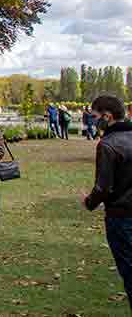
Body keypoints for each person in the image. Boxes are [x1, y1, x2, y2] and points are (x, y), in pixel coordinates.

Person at [83, 95, 132, 307]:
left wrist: (88, 202)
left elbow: (103, 188)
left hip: (121, 217)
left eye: (94, 117)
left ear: (107, 116)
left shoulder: (108, 144)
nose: (92, 121)